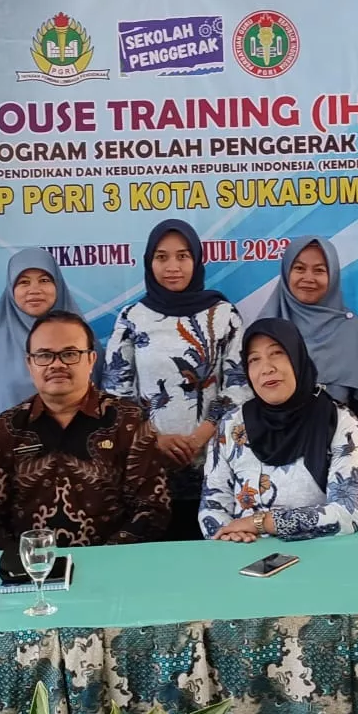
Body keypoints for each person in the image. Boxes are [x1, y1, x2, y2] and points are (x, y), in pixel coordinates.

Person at [0, 310, 170, 547]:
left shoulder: (130, 421)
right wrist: (22, 561)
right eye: (44, 355)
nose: (57, 364)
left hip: (115, 563)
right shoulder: (4, 429)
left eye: (70, 354)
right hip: (28, 565)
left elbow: (151, 509)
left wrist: (108, 558)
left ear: (91, 359)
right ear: (30, 364)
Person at [105, 219, 249, 540]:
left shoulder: (223, 315)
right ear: (149, 262)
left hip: (214, 462)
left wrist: (200, 437)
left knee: (214, 556)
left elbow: (238, 385)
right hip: (148, 466)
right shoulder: (132, 318)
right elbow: (116, 395)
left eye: (183, 256)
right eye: (162, 257)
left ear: (196, 260)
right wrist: (154, 439)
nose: (173, 267)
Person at [200, 318, 358, 542]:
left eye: (277, 353)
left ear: (297, 357)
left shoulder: (338, 421)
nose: (266, 369)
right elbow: (212, 505)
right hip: (242, 554)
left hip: (320, 555)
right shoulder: (231, 424)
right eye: (254, 359)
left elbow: (348, 513)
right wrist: (231, 537)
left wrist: (262, 523)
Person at [260, 235, 358, 528]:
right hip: (277, 454)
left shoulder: (351, 329)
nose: (309, 278)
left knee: (352, 539)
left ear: (332, 276)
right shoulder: (265, 330)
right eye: (299, 268)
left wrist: (330, 441)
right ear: (286, 272)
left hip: (342, 453)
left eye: (319, 270)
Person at [0, 248, 101, 492]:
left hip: (81, 481)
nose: (34, 290)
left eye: (44, 280)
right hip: (9, 480)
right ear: (10, 289)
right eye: (23, 282)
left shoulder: (84, 339)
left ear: (58, 285)